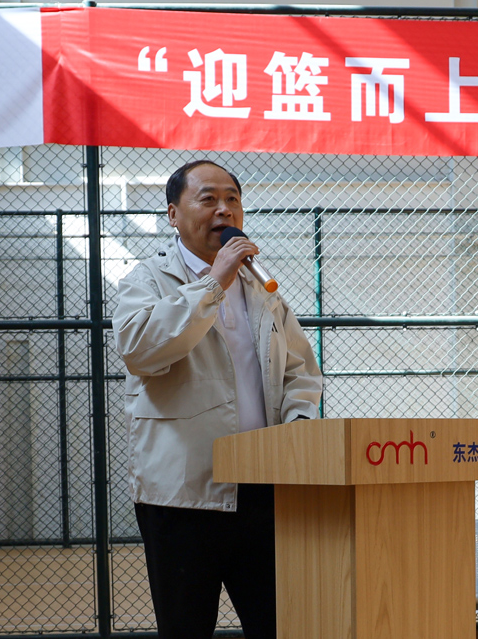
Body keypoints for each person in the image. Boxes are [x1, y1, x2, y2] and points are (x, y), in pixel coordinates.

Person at [113, 160, 323, 639]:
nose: (224, 210)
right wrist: (213, 284)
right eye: (208, 199)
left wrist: (297, 427)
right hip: (183, 497)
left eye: (232, 199)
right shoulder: (146, 281)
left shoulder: (263, 289)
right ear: (173, 213)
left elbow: (300, 371)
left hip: (264, 488)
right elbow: (141, 350)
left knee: (281, 625)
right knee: (186, 629)